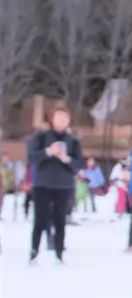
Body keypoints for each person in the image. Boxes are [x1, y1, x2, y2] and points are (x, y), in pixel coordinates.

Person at [26, 103, 85, 263]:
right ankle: (34, 251)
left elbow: (79, 164)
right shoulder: (41, 136)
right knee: (40, 219)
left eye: (65, 118)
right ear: (52, 119)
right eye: (58, 117)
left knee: (60, 220)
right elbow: (31, 157)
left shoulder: (73, 141)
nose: (62, 120)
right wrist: (48, 151)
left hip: (63, 185)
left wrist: (66, 159)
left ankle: (59, 252)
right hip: (42, 183)